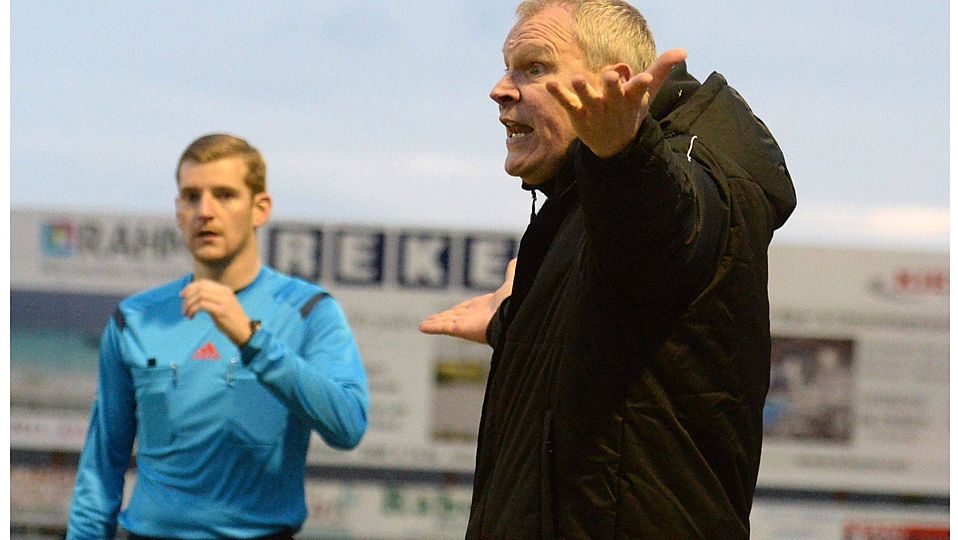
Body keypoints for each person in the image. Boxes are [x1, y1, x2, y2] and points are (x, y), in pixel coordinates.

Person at [419, 1, 796, 538]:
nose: (500, 89)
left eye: (534, 67)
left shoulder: (680, 174)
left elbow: (663, 235)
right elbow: (616, 325)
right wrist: (512, 321)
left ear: (613, 82)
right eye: (507, 67)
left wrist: (623, 150)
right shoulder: (586, 198)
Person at [67, 134, 370, 539]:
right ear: (178, 210)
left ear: (260, 208)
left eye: (225, 195)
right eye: (191, 196)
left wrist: (250, 338)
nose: (205, 211)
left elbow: (347, 426)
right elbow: (101, 468)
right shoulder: (134, 319)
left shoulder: (308, 310)